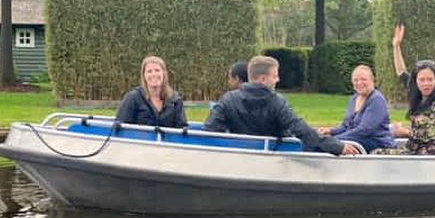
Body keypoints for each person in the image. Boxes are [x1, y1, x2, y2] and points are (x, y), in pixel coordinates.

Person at [204, 55, 360, 156]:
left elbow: (211, 130)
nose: (277, 80)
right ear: (263, 79)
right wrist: (336, 146)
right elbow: (299, 128)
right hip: (274, 158)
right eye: (275, 76)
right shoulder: (276, 102)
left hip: (240, 157)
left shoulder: (228, 99)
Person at [375, 24, 435, 155]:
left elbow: (427, 134)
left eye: (430, 80)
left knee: (378, 154)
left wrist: (403, 131)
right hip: (411, 150)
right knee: (376, 151)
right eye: (422, 80)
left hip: (424, 155)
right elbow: (401, 73)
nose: (426, 84)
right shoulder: (418, 94)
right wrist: (396, 46)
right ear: (416, 82)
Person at [318, 65, 395, 152]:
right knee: (324, 143)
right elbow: (345, 126)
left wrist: (335, 139)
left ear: (372, 80)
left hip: (377, 143)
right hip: (357, 139)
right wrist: (330, 131)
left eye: (363, 79)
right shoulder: (354, 99)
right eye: (356, 80)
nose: (359, 83)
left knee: (328, 145)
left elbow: (364, 130)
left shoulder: (376, 99)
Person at [115, 55, 188, 128]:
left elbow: (182, 128)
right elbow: (120, 127)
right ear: (144, 75)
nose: (153, 74)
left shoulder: (175, 99)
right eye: (149, 71)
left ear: (164, 73)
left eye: (157, 70)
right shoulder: (132, 98)